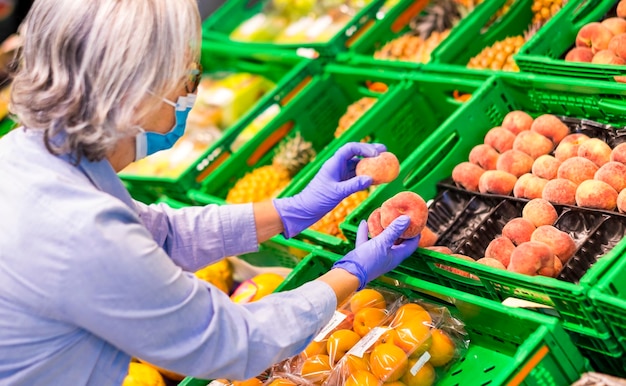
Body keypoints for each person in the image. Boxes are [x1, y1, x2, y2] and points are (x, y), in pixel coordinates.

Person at [0, 0, 420, 384]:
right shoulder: (78, 231)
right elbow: (233, 344)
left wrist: (291, 210)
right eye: (186, 78)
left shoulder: (27, 154)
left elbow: (160, 236)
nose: (189, 95)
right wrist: (352, 271)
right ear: (130, 95)